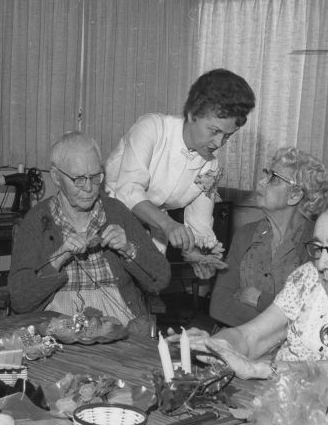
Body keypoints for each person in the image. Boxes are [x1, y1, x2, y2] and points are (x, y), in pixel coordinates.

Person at [185, 189, 328, 380]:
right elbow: (251, 337)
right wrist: (217, 345)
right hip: (284, 410)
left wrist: (261, 369)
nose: (322, 263)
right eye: (318, 248)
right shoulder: (308, 279)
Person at [105, 68, 255, 277]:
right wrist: (167, 224)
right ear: (192, 114)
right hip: (107, 219)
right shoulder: (152, 128)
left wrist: (198, 253)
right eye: (214, 131)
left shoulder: (211, 168)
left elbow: (199, 221)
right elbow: (128, 189)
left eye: (228, 136)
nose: (219, 143)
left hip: (151, 234)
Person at [7, 132, 171, 323]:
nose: (89, 188)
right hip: (58, 325)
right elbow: (19, 300)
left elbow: (160, 279)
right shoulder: (36, 220)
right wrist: (57, 259)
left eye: (94, 177)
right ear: (57, 177)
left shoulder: (116, 212)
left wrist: (129, 250)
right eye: (78, 179)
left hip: (118, 322)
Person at [209, 147, 328, 327]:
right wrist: (277, 312)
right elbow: (219, 306)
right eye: (266, 173)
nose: (261, 182)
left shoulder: (317, 245)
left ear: (295, 195)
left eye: (273, 178)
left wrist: (259, 299)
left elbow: (309, 319)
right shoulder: (245, 234)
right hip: (233, 341)